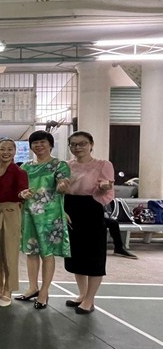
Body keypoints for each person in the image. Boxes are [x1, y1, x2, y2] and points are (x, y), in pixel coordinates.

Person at [18, 130, 71, 310]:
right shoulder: (25, 167)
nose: (38, 145)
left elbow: (63, 183)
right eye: (35, 143)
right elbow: (20, 189)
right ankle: (32, 287)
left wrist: (62, 186)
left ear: (50, 145)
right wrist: (21, 193)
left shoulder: (59, 165)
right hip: (28, 214)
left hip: (50, 216)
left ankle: (44, 291)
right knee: (31, 251)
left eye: (42, 142)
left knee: (47, 253)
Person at [64, 131, 115, 314]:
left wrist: (103, 187)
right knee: (76, 256)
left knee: (94, 256)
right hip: (70, 209)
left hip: (91, 209)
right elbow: (60, 189)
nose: (78, 147)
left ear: (91, 144)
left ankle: (90, 299)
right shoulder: (66, 165)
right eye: (74, 144)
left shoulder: (103, 164)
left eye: (82, 143)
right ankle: (82, 294)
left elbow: (106, 189)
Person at [0, 138, 29, 308]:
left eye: (10, 149)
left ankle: (9, 289)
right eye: (2, 149)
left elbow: (22, 191)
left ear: (15, 151)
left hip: (10, 212)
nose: (6, 152)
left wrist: (23, 194)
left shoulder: (19, 172)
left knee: (9, 252)